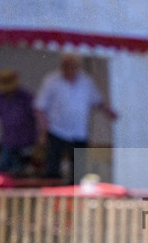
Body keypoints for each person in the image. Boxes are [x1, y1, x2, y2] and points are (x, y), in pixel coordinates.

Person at [35, 54, 117, 184]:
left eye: (73, 66)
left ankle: (74, 197)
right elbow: (40, 106)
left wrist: (109, 112)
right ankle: (51, 196)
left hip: (79, 131)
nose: (70, 69)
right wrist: (44, 130)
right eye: (67, 65)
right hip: (57, 130)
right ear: (62, 66)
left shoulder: (86, 81)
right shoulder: (51, 80)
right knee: (52, 168)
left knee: (78, 169)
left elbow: (97, 100)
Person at [0, 69, 37, 174]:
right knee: (3, 169)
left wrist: (41, 136)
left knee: (21, 170)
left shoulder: (26, 96)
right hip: (7, 140)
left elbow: (37, 116)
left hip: (26, 140)